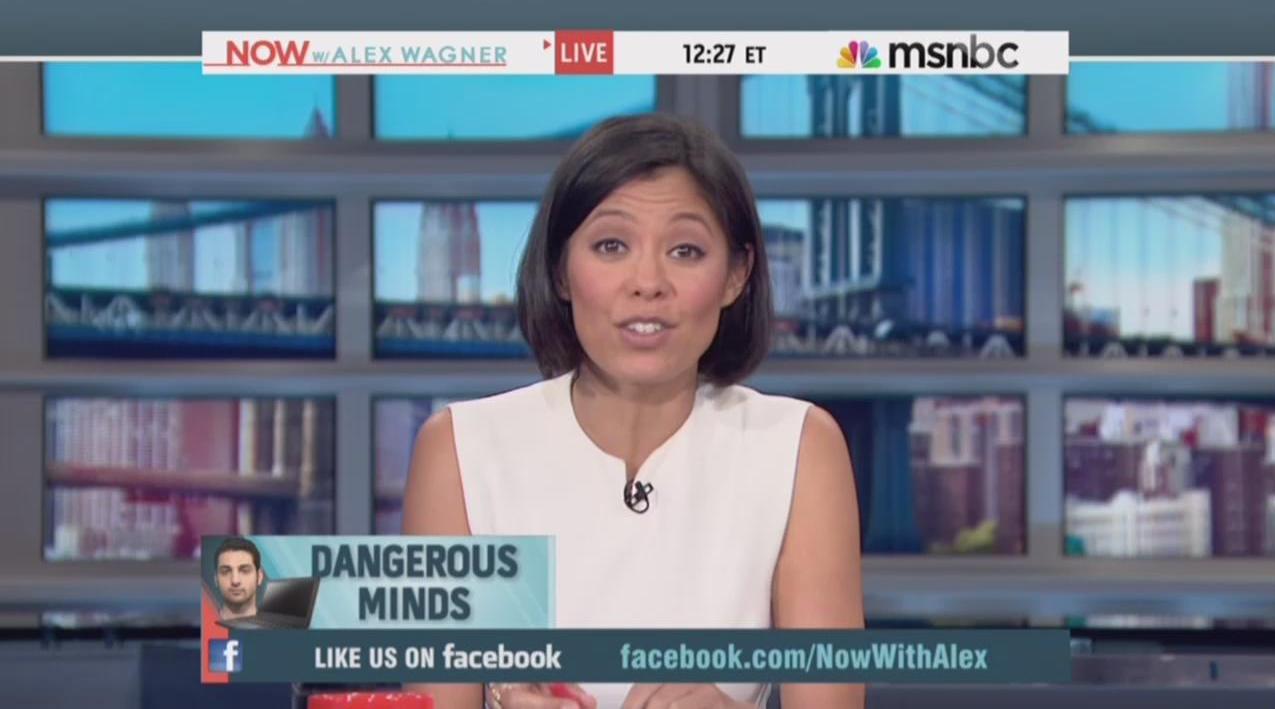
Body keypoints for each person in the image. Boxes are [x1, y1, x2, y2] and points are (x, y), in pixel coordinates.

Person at [403, 113, 864, 709]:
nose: (648, 282)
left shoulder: (798, 447)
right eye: (611, 246)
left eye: (685, 250)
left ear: (736, 275)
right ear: (560, 270)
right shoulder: (461, 450)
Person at [215, 536, 263, 621]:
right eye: (226, 571)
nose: (235, 581)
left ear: (259, 577)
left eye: (245, 570)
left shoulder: (279, 627)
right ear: (216, 579)